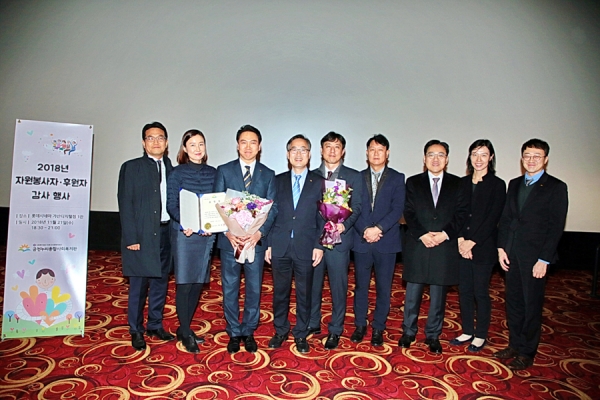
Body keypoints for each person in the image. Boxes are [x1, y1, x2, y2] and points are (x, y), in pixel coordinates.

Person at [495, 138, 568, 370]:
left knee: (531, 305)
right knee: (514, 303)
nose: (531, 160)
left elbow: (556, 227)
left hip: (536, 259)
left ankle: (527, 351)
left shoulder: (556, 187)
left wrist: (544, 259)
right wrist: (501, 248)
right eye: (527, 155)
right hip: (512, 254)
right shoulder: (515, 184)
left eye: (537, 156)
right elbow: (506, 218)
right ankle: (514, 344)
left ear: (545, 159)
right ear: (522, 158)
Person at [400, 139, 468, 354]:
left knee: (439, 295)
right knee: (413, 293)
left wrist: (444, 235)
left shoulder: (458, 184)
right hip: (418, 243)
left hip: (444, 245)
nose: (435, 159)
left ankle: (433, 335)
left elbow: (461, 214)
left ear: (447, 159)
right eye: (431, 154)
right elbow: (408, 211)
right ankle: (408, 331)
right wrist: (422, 234)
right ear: (424, 158)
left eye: (440, 155)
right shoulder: (413, 182)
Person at [214, 125, 277, 354]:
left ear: (259, 147)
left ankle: (249, 331)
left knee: (254, 288)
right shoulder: (224, 171)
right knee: (230, 287)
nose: (248, 147)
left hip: (254, 242)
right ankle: (233, 331)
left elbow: (273, 208)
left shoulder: (268, 174)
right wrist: (227, 232)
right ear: (237, 145)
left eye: (253, 142)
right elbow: (217, 205)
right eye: (243, 142)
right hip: (230, 241)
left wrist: (260, 233)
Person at [118, 121, 175, 351]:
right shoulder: (131, 168)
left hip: (166, 233)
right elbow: (125, 204)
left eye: (160, 137)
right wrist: (131, 239)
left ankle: (155, 325)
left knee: (161, 283)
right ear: (143, 143)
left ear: (167, 142)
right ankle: (136, 329)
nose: (156, 142)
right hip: (141, 236)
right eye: (150, 138)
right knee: (139, 286)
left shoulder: (172, 168)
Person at [266, 134, 325, 353]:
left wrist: (319, 245)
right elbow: (270, 214)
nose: (298, 154)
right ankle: (280, 330)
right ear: (287, 154)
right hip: (280, 245)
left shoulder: (319, 182)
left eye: (303, 150)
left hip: (307, 246)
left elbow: (323, 217)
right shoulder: (277, 180)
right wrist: (269, 243)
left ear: (309, 154)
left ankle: (301, 333)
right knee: (280, 292)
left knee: (304, 293)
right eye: (294, 150)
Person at [450, 139, 506, 352]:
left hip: (483, 247)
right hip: (461, 245)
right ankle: (467, 330)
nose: (479, 159)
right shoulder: (462, 183)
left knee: (480, 291)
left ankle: (481, 334)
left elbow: (493, 218)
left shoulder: (497, 185)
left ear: (491, 157)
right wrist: (460, 240)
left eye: (483, 154)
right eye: (475, 154)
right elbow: (457, 214)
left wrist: (472, 242)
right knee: (464, 290)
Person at [309, 132, 363, 350]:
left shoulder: (354, 176)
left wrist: (343, 225)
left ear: (343, 151)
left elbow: (357, 207)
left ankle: (335, 329)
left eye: (337, 147)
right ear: (321, 150)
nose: (332, 151)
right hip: (314, 239)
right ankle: (313, 322)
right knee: (313, 284)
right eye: (328, 146)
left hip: (340, 239)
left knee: (338, 287)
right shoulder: (311, 176)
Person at [350, 134, 405, 347]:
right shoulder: (357, 177)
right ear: (366, 153)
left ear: (387, 153)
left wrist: (378, 229)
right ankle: (360, 325)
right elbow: (353, 208)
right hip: (362, 239)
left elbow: (397, 209)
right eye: (372, 149)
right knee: (360, 286)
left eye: (380, 150)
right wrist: (365, 229)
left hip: (386, 241)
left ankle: (378, 327)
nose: (376, 153)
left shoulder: (397, 178)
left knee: (384, 287)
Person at [167, 129, 216, 353]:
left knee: (198, 281)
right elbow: (171, 203)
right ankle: (185, 331)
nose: (197, 149)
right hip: (184, 234)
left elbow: (216, 204)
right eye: (192, 145)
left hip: (205, 236)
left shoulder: (214, 173)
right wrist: (186, 222)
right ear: (185, 149)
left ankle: (185, 327)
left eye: (201, 144)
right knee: (185, 283)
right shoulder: (177, 173)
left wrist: (209, 225)